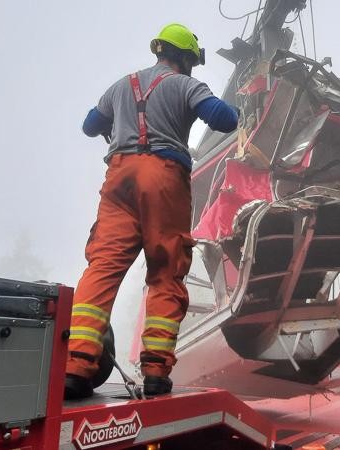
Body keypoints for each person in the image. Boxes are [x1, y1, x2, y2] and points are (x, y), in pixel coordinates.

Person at [64, 23, 239, 400]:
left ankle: (76, 367)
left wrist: (119, 127)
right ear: (187, 58)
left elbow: (89, 125)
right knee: (165, 271)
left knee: (102, 267)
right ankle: (156, 374)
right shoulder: (185, 85)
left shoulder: (121, 86)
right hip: (163, 178)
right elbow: (225, 119)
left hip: (119, 178)